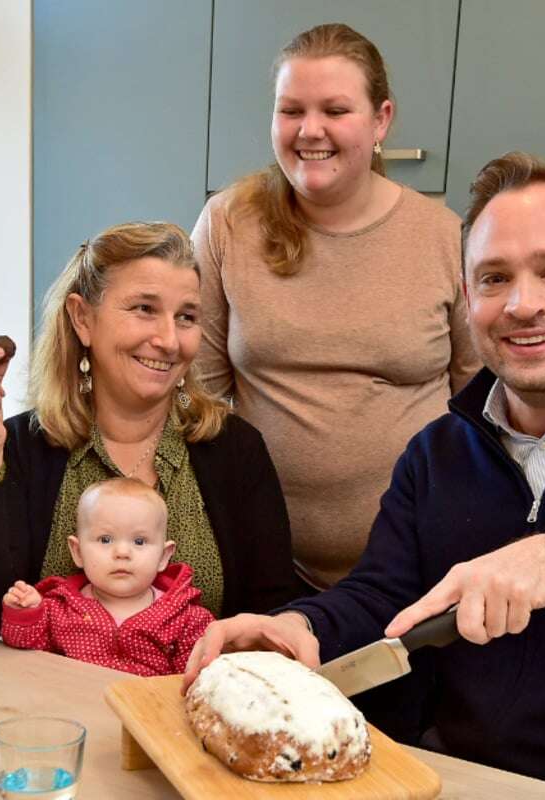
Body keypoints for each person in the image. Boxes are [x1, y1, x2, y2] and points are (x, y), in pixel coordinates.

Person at [182, 152, 545, 799]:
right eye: (493, 278)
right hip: (458, 781)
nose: (523, 303)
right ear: (467, 295)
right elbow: (382, 598)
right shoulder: (435, 453)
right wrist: (300, 626)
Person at [192, 23, 481, 589]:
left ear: (381, 120)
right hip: (258, 561)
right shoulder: (229, 223)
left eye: (335, 110)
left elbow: (481, 407)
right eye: (291, 110)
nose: (310, 130)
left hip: (414, 566)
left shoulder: (446, 238)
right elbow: (199, 394)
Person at [0, 221, 299, 647]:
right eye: (144, 308)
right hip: (52, 708)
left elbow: (270, 614)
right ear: (82, 318)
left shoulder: (234, 448)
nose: (168, 340)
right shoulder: (22, 445)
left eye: (186, 317)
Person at [0, 477, 214, 676]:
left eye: (139, 541)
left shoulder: (186, 618)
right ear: (78, 551)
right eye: (105, 540)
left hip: (144, 710)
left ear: (163, 557)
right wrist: (24, 613)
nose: (122, 552)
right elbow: (26, 649)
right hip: (72, 705)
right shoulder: (59, 608)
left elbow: (194, 678)